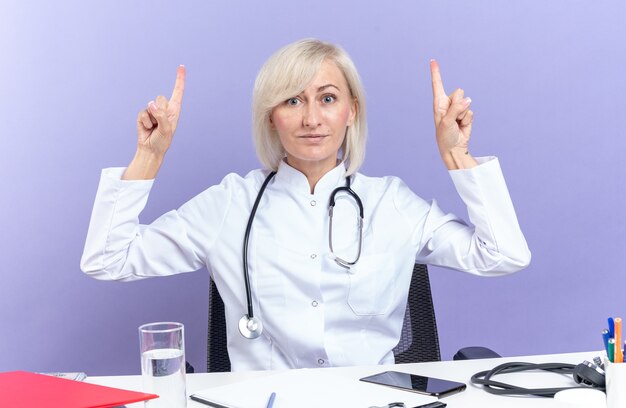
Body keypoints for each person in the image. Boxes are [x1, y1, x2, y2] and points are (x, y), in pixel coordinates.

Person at [81, 38, 531, 371]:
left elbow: (503, 255)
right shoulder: (230, 204)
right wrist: (149, 156)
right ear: (270, 116)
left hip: (370, 401)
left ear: (351, 111)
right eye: (292, 100)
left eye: (328, 99)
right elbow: (107, 259)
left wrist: (457, 155)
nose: (312, 118)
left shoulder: (392, 203)